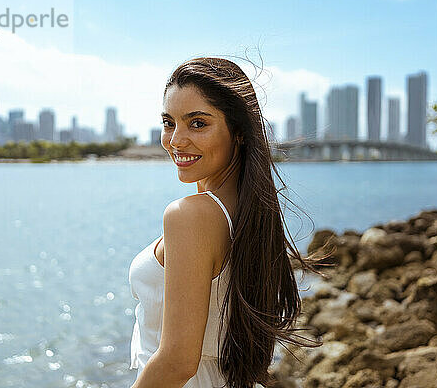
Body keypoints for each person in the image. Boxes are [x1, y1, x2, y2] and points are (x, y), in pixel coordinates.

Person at [128, 56, 332, 388]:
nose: (176, 140)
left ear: (238, 131)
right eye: (169, 122)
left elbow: (177, 362)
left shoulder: (190, 215)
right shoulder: (249, 211)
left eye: (197, 123)